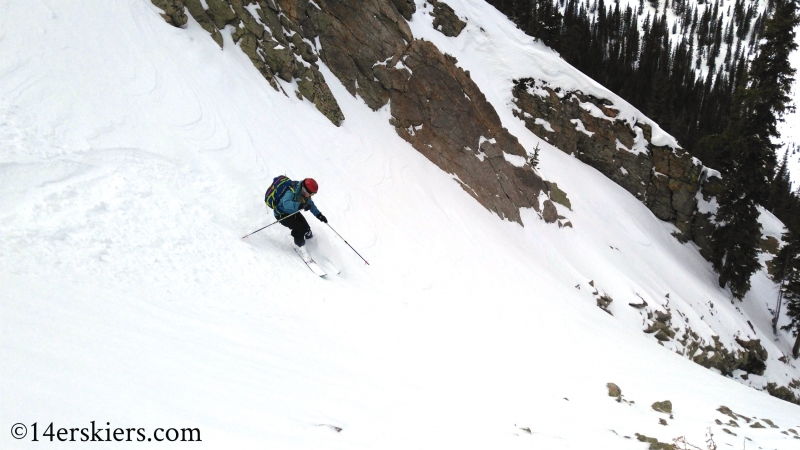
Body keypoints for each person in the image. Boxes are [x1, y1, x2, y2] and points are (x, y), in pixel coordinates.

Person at [272, 177, 327, 247]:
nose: (311, 196)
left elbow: (311, 205)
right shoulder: (291, 192)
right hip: (281, 215)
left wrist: (319, 215)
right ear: (305, 190)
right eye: (311, 194)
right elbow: (286, 203)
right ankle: (299, 245)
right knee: (299, 228)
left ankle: (311, 243)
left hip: (292, 212)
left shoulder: (303, 194)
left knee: (306, 228)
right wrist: (300, 205)